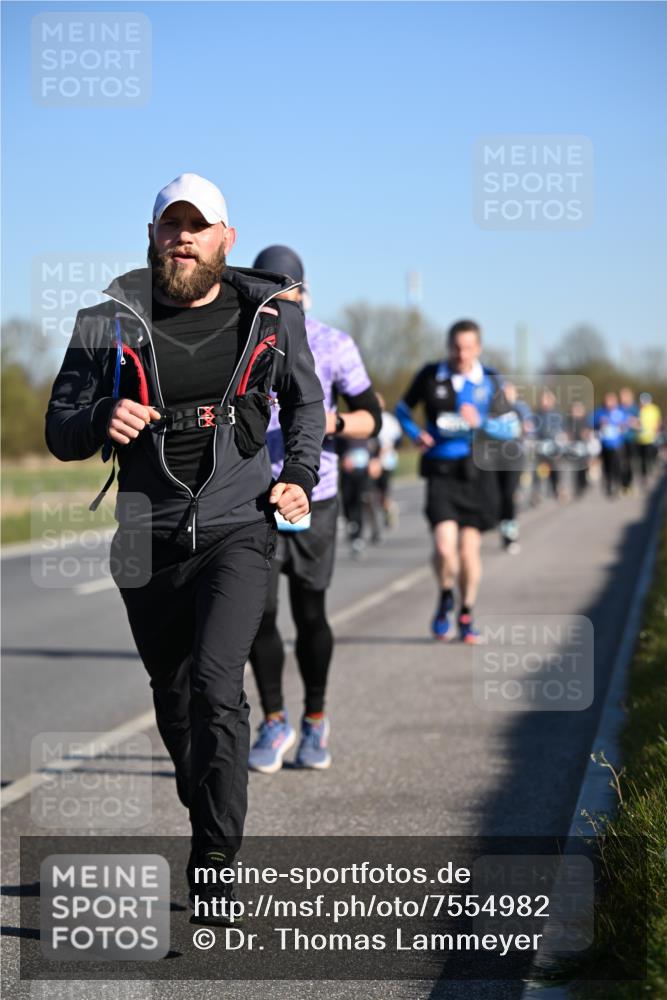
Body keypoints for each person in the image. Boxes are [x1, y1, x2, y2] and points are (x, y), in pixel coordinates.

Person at [44, 176, 325, 920]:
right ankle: (205, 814)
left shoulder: (269, 315)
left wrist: (297, 473)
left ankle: (214, 856)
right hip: (145, 537)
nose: (183, 237)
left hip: (239, 527)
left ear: (225, 237)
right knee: (174, 705)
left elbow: (305, 403)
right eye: (172, 225)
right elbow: (60, 427)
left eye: (198, 226)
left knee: (212, 682)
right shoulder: (106, 320)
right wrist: (103, 413)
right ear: (152, 232)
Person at [247, 245, 381, 773]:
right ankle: (274, 719)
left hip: (314, 494)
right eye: (268, 293)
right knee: (258, 614)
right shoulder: (242, 340)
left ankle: (316, 719)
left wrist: (333, 424)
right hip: (253, 497)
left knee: (308, 613)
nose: (278, 302)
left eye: (288, 293)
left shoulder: (332, 344)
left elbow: (374, 415)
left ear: (304, 294)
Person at [396, 319, 519, 643]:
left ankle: (466, 612)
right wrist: (415, 434)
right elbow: (402, 409)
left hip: (477, 474)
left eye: (468, 347)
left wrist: (481, 424)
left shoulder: (490, 380)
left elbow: (512, 429)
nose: (461, 354)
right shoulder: (430, 374)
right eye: (456, 347)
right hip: (441, 472)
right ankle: (445, 594)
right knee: (443, 546)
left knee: (468, 552)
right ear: (448, 346)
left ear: (478, 348)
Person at [591, 391, 626, 497]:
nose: (609, 403)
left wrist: (622, 427)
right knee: (606, 466)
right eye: (607, 400)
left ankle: (618, 484)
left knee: (617, 465)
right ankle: (608, 484)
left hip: (617, 444)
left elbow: (625, 426)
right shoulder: (600, 412)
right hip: (604, 444)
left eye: (612, 400)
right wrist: (599, 424)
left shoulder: (620, 412)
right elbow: (592, 424)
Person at [636, 392, 662, 484]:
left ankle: (652, 467)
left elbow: (658, 421)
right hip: (640, 439)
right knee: (642, 458)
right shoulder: (638, 409)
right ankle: (644, 475)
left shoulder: (654, 409)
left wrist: (657, 431)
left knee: (650, 455)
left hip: (651, 438)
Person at [619, 386, 640, 492]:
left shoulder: (635, 409)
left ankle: (629, 484)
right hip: (619, 440)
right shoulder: (618, 408)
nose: (623, 397)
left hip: (631, 439)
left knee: (629, 463)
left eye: (625, 395)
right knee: (621, 462)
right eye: (621, 395)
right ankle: (622, 484)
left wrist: (632, 423)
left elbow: (639, 425)